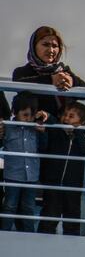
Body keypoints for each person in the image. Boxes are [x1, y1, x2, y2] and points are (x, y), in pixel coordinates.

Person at [39, 102, 85, 235]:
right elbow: (51, 124)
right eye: (64, 115)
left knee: (72, 217)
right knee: (49, 216)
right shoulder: (57, 131)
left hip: (73, 185)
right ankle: (42, 244)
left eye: (71, 116)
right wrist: (49, 116)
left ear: (82, 122)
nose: (66, 118)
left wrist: (77, 131)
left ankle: (72, 247)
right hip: (53, 183)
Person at [12, 26, 85, 120]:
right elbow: (20, 85)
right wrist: (51, 79)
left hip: (60, 131)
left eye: (55, 46)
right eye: (45, 44)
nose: (51, 50)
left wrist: (72, 81)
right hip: (37, 129)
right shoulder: (22, 72)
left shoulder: (63, 71)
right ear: (34, 46)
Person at [1, 92, 49, 232]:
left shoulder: (36, 129)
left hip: (32, 176)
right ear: (14, 112)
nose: (28, 119)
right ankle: (4, 233)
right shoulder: (7, 127)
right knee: (9, 205)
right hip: (12, 175)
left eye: (31, 115)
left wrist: (43, 133)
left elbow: (43, 147)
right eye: (25, 115)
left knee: (28, 207)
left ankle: (29, 234)